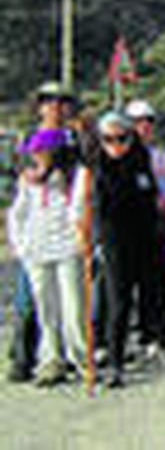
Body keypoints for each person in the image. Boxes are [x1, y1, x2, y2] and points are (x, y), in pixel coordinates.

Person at [89, 113, 165, 387]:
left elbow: (150, 198)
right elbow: (99, 211)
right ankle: (115, 361)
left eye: (121, 138)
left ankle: (159, 343)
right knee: (118, 301)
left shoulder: (140, 160)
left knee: (155, 293)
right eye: (108, 139)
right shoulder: (99, 167)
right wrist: (98, 242)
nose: (115, 145)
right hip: (115, 241)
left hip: (147, 237)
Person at [6, 128, 89, 387]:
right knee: (46, 308)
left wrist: (81, 241)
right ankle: (52, 359)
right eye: (34, 153)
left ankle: (82, 358)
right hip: (36, 251)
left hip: (68, 248)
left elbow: (79, 211)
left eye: (41, 152)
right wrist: (21, 246)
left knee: (73, 307)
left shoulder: (76, 176)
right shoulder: (28, 180)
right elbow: (16, 215)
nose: (36, 157)